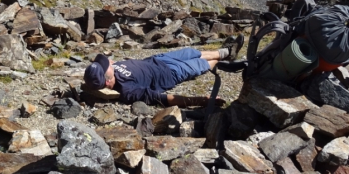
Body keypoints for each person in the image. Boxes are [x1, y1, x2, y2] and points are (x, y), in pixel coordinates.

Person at [83, 36, 243, 107]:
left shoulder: (108, 72)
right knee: (200, 64)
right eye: (107, 66)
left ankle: (226, 52)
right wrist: (201, 100)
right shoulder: (128, 91)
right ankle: (224, 59)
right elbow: (164, 99)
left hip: (158, 59)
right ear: (108, 80)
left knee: (191, 52)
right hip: (169, 74)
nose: (110, 62)